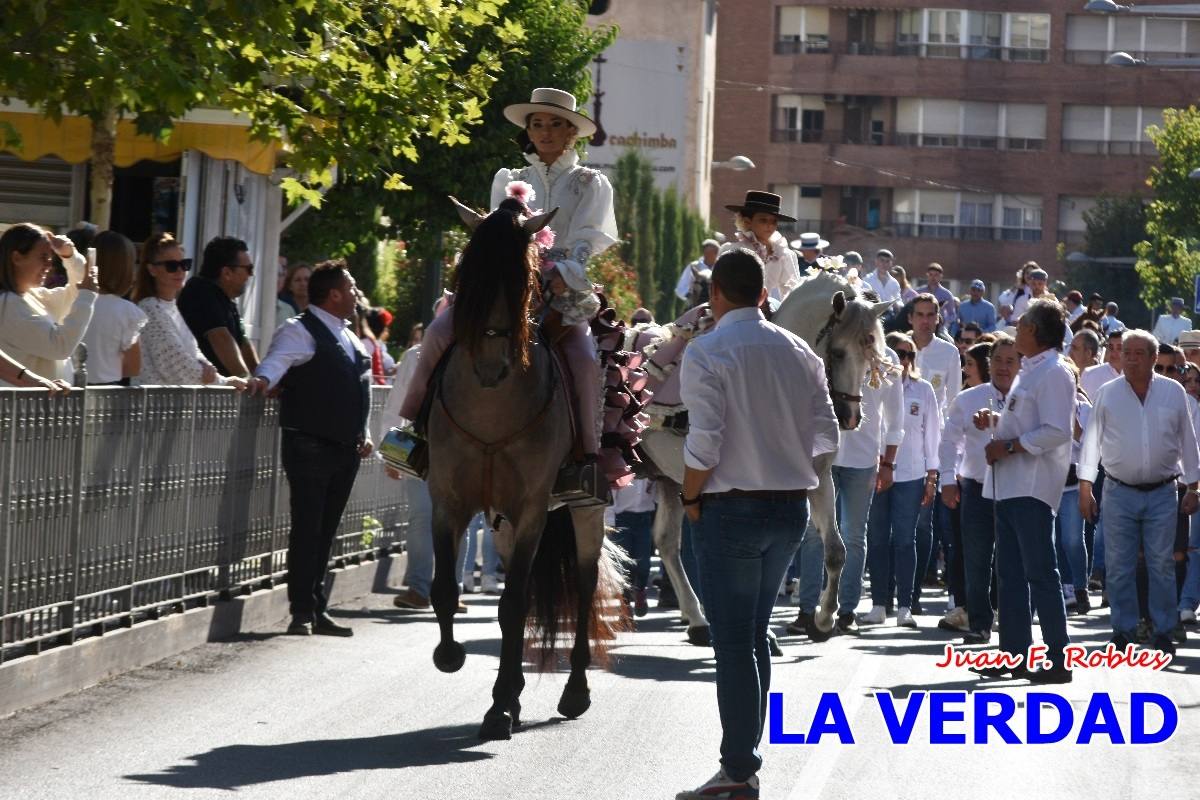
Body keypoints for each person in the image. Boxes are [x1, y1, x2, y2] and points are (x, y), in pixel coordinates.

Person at [675, 247, 837, 800]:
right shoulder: (798, 351)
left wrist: (690, 496)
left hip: (731, 507)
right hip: (787, 506)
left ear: (714, 294)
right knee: (752, 634)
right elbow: (828, 436)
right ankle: (743, 761)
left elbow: (705, 439)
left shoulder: (707, 350)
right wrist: (782, 455)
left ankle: (738, 767)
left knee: (735, 640)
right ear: (764, 295)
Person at [248, 260, 374, 637]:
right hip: (309, 443)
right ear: (333, 294)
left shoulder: (349, 336)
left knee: (326, 530)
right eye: (351, 288)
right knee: (308, 527)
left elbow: (358, 389)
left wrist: (362, 431)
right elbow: (276, 362)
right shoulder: (299, 330)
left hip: (344, 447)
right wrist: (261, 380)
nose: (356, 294)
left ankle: (316, 607)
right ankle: (302, 610)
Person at [1079, 329, 1200, 656]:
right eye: (1126, 352)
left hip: (1163, 491)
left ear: (1151, 358)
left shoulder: (1173, 392)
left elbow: (1187, 439)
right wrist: (1085, 486)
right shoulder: (1107, 393)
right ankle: (1123, 629)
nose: (1130, 358)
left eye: (1137, 353)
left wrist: (1194, 485)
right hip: (1119, 490)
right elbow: (1091, 441)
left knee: (1161, 563)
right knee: (1119, 564)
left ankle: (1162, 629)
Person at [974, 298, 1075, 683]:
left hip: (1032, 485)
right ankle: (1014, 654)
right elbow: (1030, 421)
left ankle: (1057, 657)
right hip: (1010, 484)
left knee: (1040, 573)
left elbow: (1057, 431)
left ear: (1033, 331)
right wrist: (998, 422)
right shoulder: (1031, 370)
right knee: (1011, 575)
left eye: (1020, 324)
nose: (1015, 328)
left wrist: (1010, 446)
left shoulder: (1053, 372)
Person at [787, 342, 904, 635]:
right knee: (815, 532)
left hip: (863, 459)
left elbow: (895, 416)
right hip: (823, 454)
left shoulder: (886, 358)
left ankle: (846, 610)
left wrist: (888, 463)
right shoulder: (829, 349)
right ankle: (807, 610)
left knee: (853, 534)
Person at [861, 332, 939, 628]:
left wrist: (933, 476)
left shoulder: (923, 390)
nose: (903, 360)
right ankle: (879, 603)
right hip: (875, 470)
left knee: (905, 540)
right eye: (898, 353)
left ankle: (906, 604)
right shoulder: (872, 384)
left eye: (908, 354)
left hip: (911, 474)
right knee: (878, 539)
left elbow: (932, 435)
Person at [941, 337, 1010, 643]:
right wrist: (946, 480)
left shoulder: (1030, 397)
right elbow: (949, 441)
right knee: (977, 560)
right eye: (998, 361)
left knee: (1013, 562)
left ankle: (1012, 624)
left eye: (1010, 361)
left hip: (1017, 491)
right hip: (976, 489)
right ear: (989, 363)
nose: (1003, 367)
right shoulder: (968, 399)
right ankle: (980, 624)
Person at [134, 233, 243, 387]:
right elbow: (177, 366)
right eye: (171, 266)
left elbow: (193, 351)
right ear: (152, 269)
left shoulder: (171, 307)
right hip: (153, 407)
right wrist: (223, 381)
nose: (180, 271)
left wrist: (207, 367)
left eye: (185, 264)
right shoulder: (149, 309)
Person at [0, 222, 97, 385]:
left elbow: (75, 292)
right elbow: (61, 347)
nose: (49, 264)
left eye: (50, 258)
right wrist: (87, 295)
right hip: (24, 407)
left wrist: (70, 256)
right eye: (43, 257)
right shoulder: (7, 305)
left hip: (41, 406)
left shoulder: (32, 296)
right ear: (17, 258)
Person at [178, 236, 259, 377]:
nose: (251, 275)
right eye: (248, 269)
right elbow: (221, 339)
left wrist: (263, 378)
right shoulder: (200, 291)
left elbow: (243, 342)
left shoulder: (225, 299)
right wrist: (246, 381)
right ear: (227, 273)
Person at [82, 230, 146, 386]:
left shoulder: (71, 301)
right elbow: (133, 367)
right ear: (125, 270)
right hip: (106, 393)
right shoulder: (127, 312)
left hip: (67, 391)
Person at [723, 191, 802, 302]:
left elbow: (790, 291)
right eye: (763, 220)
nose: (769, 225)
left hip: (772, 312)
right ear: (747, 221)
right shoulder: (733, 251)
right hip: (737, 309)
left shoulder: (784, 254)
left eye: (774, 221)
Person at [607, 478, 657, 617]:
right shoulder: (621, 470)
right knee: (623, 564)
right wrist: (610, 522)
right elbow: (611, 496)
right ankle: (625, 603)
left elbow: (657, 495)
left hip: (644, 518)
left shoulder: (650, 471)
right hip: (622, 518)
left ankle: (640, 590)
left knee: (643, 563)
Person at [918, 262, 957, 330]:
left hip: (939, 328)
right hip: (921, 326)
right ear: (927, 275)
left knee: (949, 340)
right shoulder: (919, 292)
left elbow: (952, 315)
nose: (933, 277)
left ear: (941, 276)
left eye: (936, 275)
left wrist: (944, 320)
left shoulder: (947, 294)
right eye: (930, 274)